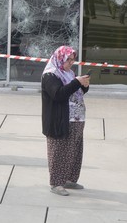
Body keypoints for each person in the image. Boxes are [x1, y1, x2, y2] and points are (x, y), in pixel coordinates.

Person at [41, 45, 90, 196]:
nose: (70, 63)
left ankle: (68, 179)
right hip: (59, 120)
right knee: (59, 151)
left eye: (72, 60)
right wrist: (77, 82)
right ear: (59, 58)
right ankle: (56, 183)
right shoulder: (50, 75)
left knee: (74, 150)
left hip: (76, 118)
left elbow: (75, 91)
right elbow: (58, 94)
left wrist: (84, 86)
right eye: (67, 59)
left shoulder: (69, 73)